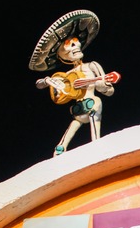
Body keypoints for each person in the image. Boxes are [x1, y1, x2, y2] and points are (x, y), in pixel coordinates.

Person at [29, 10, 117, 157]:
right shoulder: (66, 76)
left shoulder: (92, 66)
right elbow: (40, 84)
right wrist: (48, 81)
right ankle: (60, 148)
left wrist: (101, 83)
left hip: (91, 103)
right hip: (77, 109)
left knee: (96, 103)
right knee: (75, 123)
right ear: (61, 56)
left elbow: (109, 91)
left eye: (76, 42)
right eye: (69, 45)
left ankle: (96, 143)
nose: (75, 46)